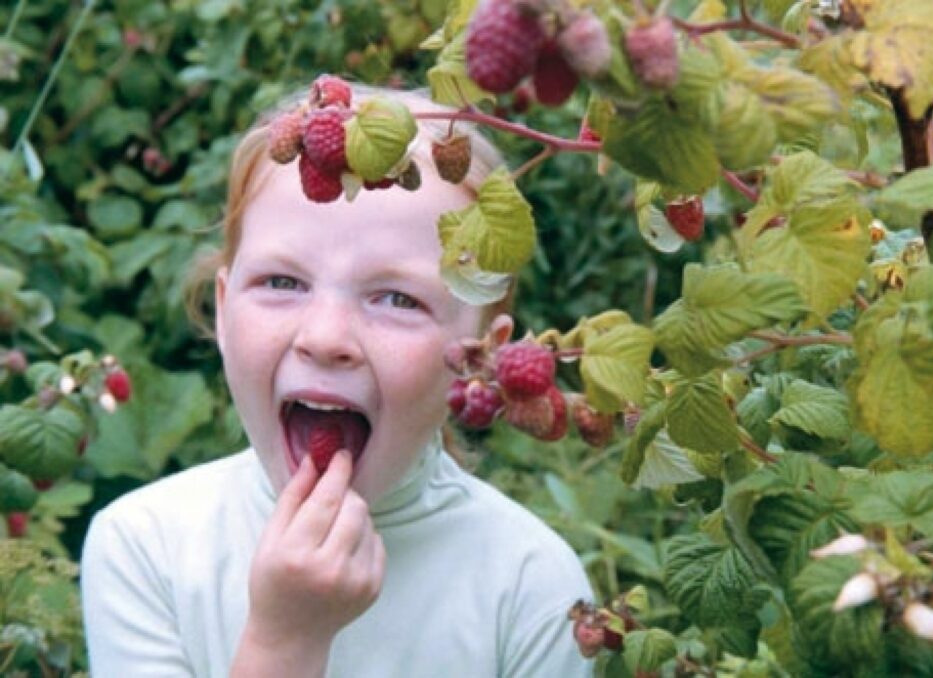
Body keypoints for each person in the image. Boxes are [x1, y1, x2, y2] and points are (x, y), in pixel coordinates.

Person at [80, 83, 594, 677]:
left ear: (485, 361)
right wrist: (284, 642)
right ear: (223, 312)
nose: (324, 337)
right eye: (281, 283)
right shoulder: (146, 548)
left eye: (397, 298)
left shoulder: (533, 589)